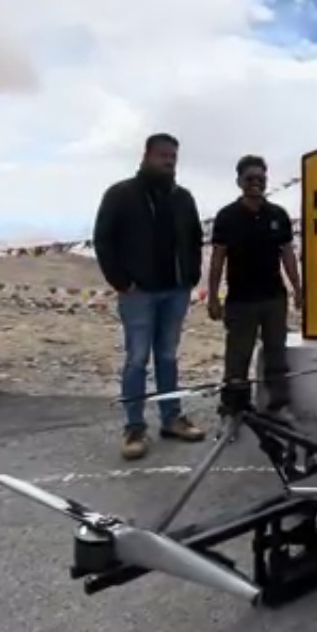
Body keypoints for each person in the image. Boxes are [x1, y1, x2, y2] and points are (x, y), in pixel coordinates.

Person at [92, 133, 208, 460]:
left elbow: (196, 238)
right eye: (163, 155)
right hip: (138, 293)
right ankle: (134, 428)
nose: (168, 161)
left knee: (168, 357)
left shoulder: (183, 198)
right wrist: (121, 281)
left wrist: (191, 275)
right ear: (146, 155)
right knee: (137, 359)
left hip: (175, 290)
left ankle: (171, 419)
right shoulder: (120, 194)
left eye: (173, 156)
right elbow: (103, 239)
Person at [207, 154, 302, 423]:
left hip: (274, 298)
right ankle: (233, 409)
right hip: (240, 300)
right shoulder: (227, 217)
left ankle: (279, 406)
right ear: (239, 181)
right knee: (238, 357)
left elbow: (288, 256)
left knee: (276, 354)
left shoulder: (278, 215)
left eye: (261, 178)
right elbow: (217, 259)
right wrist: (213, 297)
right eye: (250, 178)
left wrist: (298, 289)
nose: (256, 183)